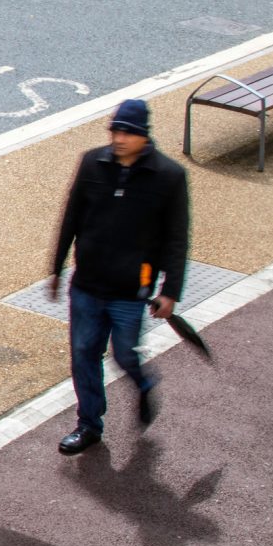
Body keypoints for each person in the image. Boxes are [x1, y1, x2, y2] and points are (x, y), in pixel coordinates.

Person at [48, 99, 190, 456]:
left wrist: (170, 290)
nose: (120, 138)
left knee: (124, 355)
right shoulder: (91, 163)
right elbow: (72, 216)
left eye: (128, 132)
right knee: (83, 354)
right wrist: (56, 267)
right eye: (115, 130)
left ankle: (143, 383)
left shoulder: (169, 177)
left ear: (145, 136)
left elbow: (177, 238)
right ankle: (89, 425)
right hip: (87, 284)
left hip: (130, 291)